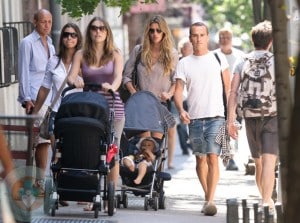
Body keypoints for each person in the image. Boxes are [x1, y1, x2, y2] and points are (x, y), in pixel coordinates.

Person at [67, 16, 124, 211]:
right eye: (94, 28)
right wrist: (75, 81)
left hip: (111, 107)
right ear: (89, 32)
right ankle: (93, 195)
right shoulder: (81, 54)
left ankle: (109, 198)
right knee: (90, 150)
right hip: (90, 107)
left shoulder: (115, 53)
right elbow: (71, 76)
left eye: (102, 28)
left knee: (111, 152)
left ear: (107, 32)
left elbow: (118, 77)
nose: (98, 31)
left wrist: (112, 86)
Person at [174, 22, 230, 216]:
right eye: (194, 35)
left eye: (201, 35)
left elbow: (229, 88)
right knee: (200, 160)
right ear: (190, 38)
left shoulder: (219, 58)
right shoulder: (184, 63)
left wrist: (232, 116)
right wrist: (181, 109)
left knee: (213, 157)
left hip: (217, 116)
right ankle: (207, 197)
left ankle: (210, 200)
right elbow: (179, 90)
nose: (198, 39)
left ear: (207, 37)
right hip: (195, 118)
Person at [227, 20, 278, 213]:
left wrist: (230, 120)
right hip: (272, 115)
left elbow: (233, 92)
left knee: (258, 162)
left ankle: (264, 199)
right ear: (271, 41)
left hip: (249, 116)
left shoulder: (242, 61)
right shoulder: (276, 61)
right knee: (269, 161)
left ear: (253, 39)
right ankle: (266, 203)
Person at [32, 22, 83, 206]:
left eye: (73, 35)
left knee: (74, 153)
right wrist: (35, 112)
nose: (69, 38)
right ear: (61, 38)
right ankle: (59, 189)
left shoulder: (83, 61)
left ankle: (76, 188)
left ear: (78, 39)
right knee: (58, 153)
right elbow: (45, 88)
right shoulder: (53, 60)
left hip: (76, 114)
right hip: (57, 113)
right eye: (66, 34)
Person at [123, 15, 179, 169]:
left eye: (158, 31)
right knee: (145, 145)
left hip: (160, 106)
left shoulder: (172, 54)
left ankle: (156, 184)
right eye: (152, 30)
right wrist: (133, 92)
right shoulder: (139, 51)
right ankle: (143, 181)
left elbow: (177, 81)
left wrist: (169, 93)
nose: (155, 34)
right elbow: (126, 76)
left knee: (157, 148)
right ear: (147, 32)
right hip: (141, 105)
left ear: (164, 33)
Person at [17, 9, 55, 195]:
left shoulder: (51, 44)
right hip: (34, 98)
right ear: (35, 22)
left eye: (49, 21)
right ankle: (34, 182)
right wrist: (26, 99)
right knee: (37, 142)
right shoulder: (27, 43)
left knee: (45, 141)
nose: (47, 25)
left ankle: (40, 182)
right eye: (43, 21)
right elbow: (23, 71)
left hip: (50, 100)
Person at [214, 27, 245, 171]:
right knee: (223, 127)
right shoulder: (213, 56)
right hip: (218, 98)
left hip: (237, 98)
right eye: (221, 37)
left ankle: (232, 155)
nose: (224, 40)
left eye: (226, 37)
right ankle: (229, 157)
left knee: (235, 127)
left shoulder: (240, 56)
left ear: (231, 39)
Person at [176, 39, 193, 155]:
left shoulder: (194, 61)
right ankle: (185, 146)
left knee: (190, 123)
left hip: (191, 98)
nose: (189, 50)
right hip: (180, 98)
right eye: (187, 48)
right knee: (181, 125)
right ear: (181, 49)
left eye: (190, 48)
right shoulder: (177, 62)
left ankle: (190, 143)